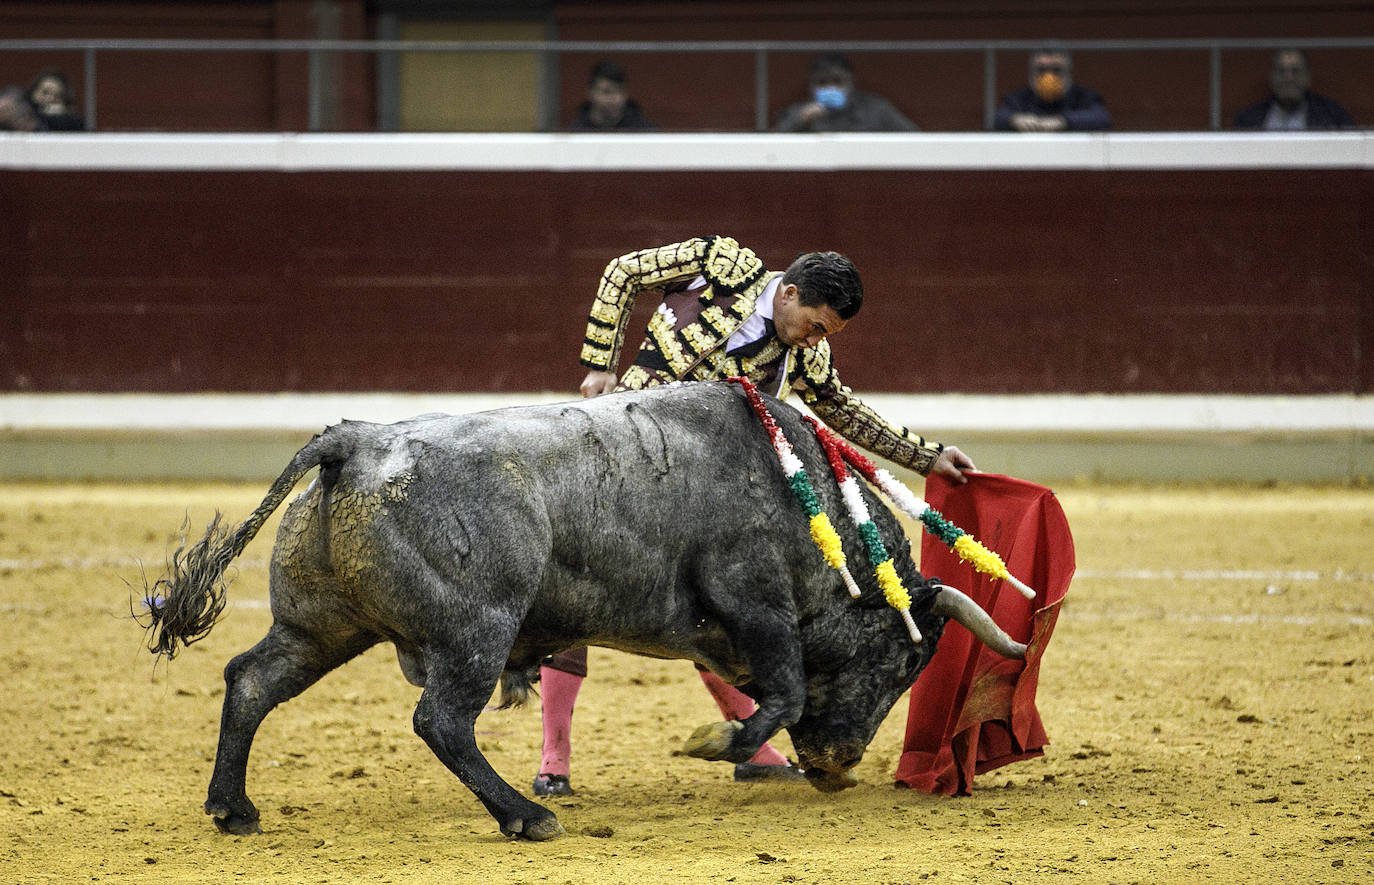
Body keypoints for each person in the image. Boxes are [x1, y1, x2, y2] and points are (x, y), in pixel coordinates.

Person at [532, 235, 976, 797]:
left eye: (827, 334)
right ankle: (554, 762)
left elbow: (842, 409)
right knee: (576, 599)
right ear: (787, 293)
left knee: (723, 606)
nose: (817, 340)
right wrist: (599, 365)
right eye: (815, 325)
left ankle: (758, 750)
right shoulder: (723, 262)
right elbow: (623, 272)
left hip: (694, 499)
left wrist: (927, 455)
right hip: (618, 462)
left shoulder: (807, 353)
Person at [774, 52, 919, 132]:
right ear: (811, 86)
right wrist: (801, 122)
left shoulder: (877, 110)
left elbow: (916, 139)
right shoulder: (798, 112)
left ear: (851, 82)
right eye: (822, 82)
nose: (830, 87)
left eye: (838, 81)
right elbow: (772, 148)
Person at [1233, 49, 1354, 131]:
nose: (1288, 78)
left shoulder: (1333, 117)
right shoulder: (1248, 119)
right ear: (1271, 77)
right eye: (1281, 71)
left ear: (1307, 77)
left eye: (1295, 71)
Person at [993, 48, 1111, 132]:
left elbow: (1102, 118)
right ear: (1030, 74)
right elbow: (998, 118)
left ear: (1069, 74)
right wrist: (1015, 120)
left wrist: (1063, 121)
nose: (1048, 77)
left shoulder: (1084, 97)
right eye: (1041, 70)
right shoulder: (1019, 98)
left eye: (1057, 70)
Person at [567, 60, 656, 132]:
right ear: (591, 93)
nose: (615, 98)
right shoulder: (576, 134)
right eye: (606, 92)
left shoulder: (644, 131)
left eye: (620, 91)